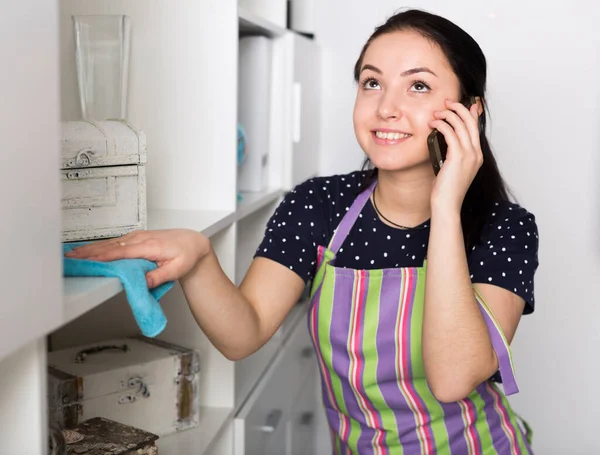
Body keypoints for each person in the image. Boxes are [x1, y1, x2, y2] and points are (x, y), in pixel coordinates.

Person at [66, 8, 539, 454]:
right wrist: (199, 256)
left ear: (469, 112)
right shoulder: (319, 205)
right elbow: (244, 331)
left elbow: (454, 379)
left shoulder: (505, 228)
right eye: (372, 82)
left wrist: (445, 204)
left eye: (417, 87)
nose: (386, 107)